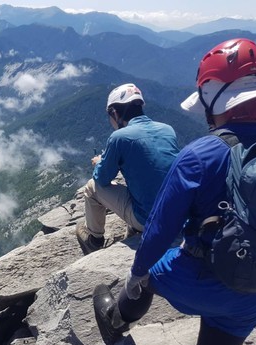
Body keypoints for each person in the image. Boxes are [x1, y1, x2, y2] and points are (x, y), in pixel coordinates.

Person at [93, 38, 256, 345]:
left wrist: (136, 275)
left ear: (211, 97)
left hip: (200, 278)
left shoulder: (201, 154)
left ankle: (118, 317)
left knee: (151, 273)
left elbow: (157, 229)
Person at [76, 83, 180, 254]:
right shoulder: (167, 130)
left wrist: (99, 163)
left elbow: (102, 179)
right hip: (177, 216)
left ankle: (94, 240)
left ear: (115, 113)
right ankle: (134, 229)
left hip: (148, 220)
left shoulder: (119, 137)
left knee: (91, 188)